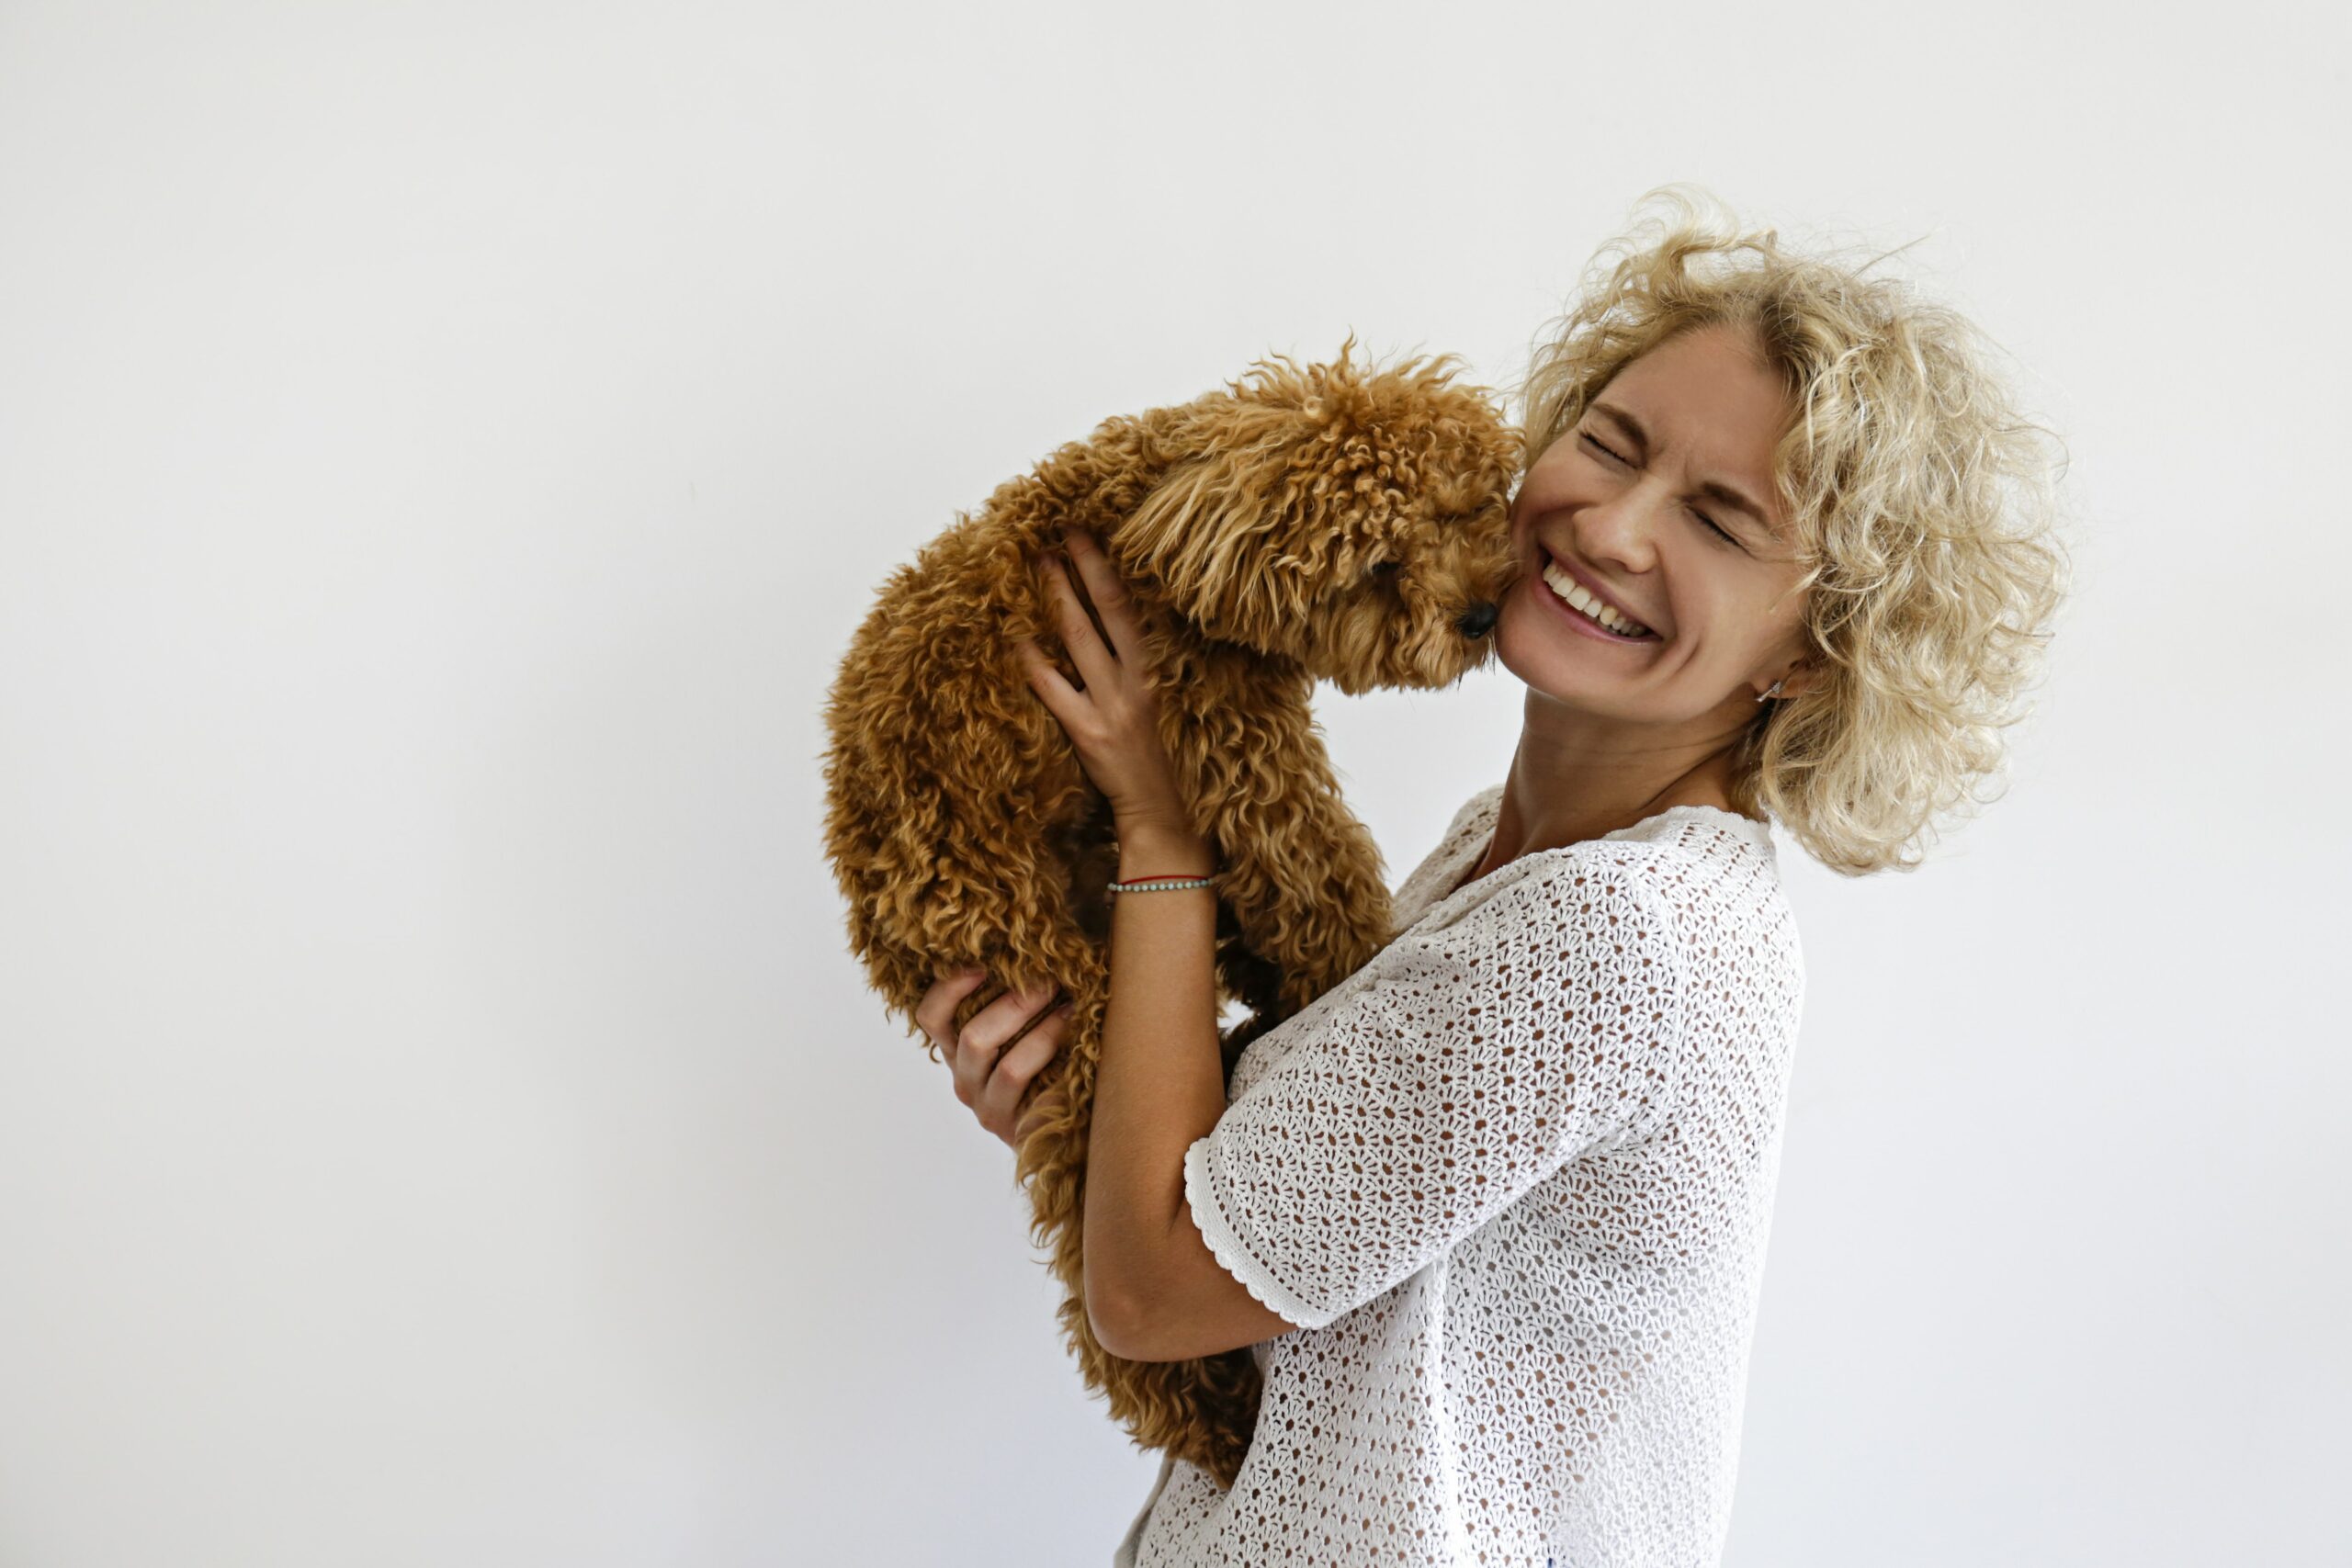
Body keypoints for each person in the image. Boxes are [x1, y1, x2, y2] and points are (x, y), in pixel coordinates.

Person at [913, 186, 2071, 1567]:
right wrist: (1085, 1114)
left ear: (1815, 648)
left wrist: (1162, 838)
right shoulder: (1505, 850)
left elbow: (1155, 1297)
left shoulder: (1619, 932)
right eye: (1608, 444)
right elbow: (1289, 1213)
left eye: (1716, 517)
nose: (1615, 527)